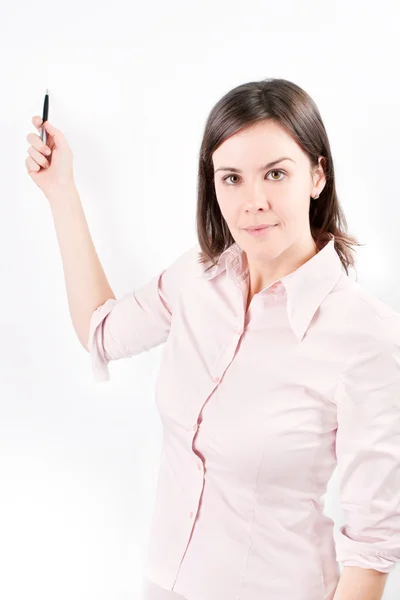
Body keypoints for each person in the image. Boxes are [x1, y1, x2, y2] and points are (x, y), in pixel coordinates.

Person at [26, 78, 400, 600]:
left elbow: (372, 548)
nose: (253, 202)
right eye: (232, 178)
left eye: (275, 173)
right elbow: (101, 330)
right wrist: (60, 191)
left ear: (317, 175)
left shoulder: (367, 335)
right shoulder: (195, 281)